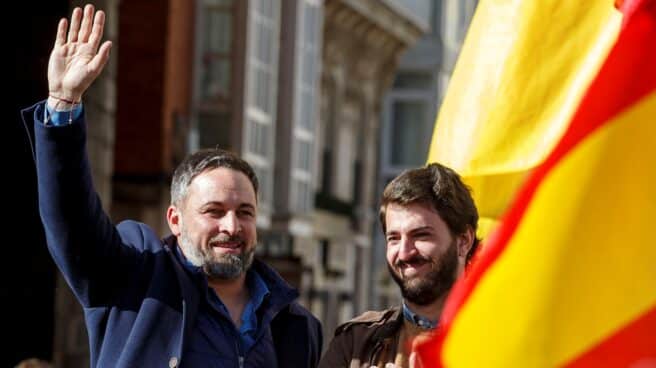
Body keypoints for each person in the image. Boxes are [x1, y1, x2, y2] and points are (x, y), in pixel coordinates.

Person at [22, 5, 322, 367]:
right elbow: (72, 220)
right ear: (175, 220)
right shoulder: (134, 278)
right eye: (214, 211)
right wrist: (63, 107)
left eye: (245, 212)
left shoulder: (295, 326)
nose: (232, 226)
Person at [319, 163, 480, 368]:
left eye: (421, 235)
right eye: (393, 238)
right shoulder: (355, 344)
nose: (404, 253)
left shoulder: (505, 339)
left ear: (463, 241)